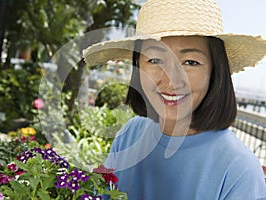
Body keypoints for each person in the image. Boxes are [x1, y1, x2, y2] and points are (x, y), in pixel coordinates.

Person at [83, 0, 266, 199]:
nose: (171, 79)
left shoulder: (239, 170)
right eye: (155, 60)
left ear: (215, 71)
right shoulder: (129, 134)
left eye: (190, 62)